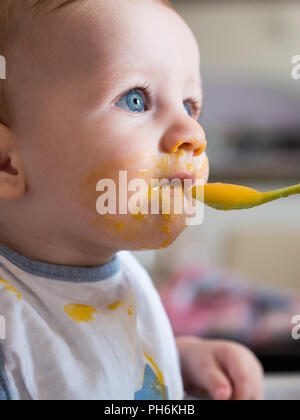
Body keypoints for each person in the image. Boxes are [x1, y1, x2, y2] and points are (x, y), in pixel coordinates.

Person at [0, 0, 264, 400]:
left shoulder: (124, 274)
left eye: (191, 106)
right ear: (7, 164)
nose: (193, 132)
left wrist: (178, 360)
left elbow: (103, 365)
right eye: (135, 99)